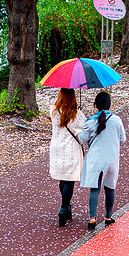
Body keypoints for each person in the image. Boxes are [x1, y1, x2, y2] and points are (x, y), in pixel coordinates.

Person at [79, 91, 126, 230]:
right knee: (110, 188)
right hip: (111, 159)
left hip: (96, 159)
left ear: (96, 105)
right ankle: (108, 216)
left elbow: (82, 138)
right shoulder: (116, 120)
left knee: (95, 189)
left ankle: (92, 218)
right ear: (109, 104)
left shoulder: (91, 121)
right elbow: (123, 139)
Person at [49, 88, 85, 227]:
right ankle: (64, 208)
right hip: (71, 150)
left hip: (57, 149)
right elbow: (83, 129)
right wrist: (80, 111)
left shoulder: (53, 110)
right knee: (70, 180)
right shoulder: (77, 114)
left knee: (63, 178)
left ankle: (67, 207)